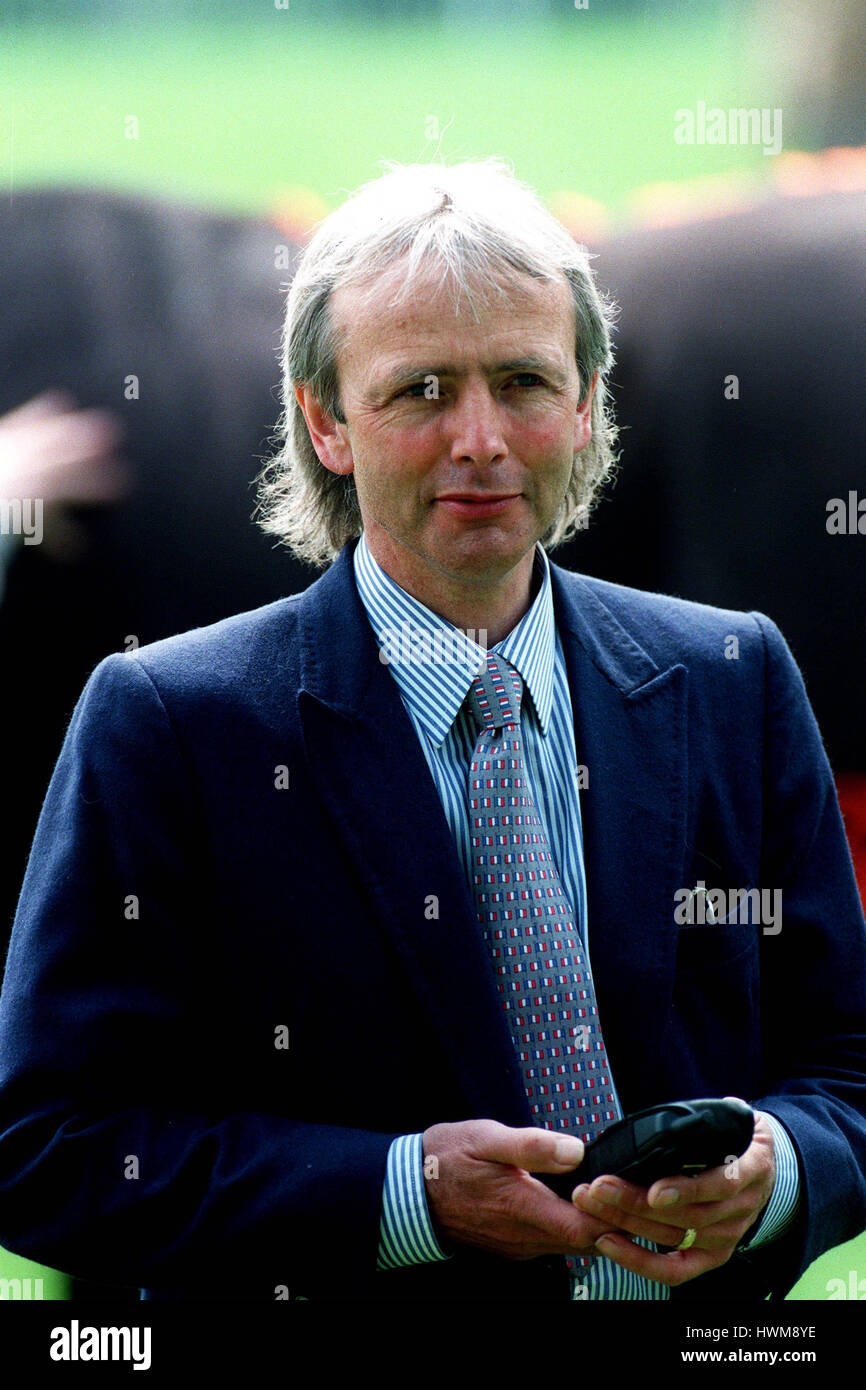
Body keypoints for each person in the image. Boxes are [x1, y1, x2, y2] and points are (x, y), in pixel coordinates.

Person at [0, 160, 864, 1303]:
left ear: (588, 403)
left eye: (521, 382)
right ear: (325, 421)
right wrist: (401, 1196)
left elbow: (845, 1070)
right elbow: (50, 1149)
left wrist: (780, 1172)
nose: (480, 440)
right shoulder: (164, 720)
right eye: (419, 391)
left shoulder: (731, 677)